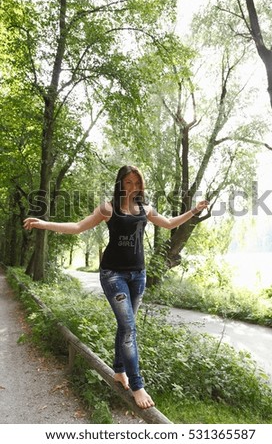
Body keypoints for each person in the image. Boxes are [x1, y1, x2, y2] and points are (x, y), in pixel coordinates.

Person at [24, 165, 209, 409]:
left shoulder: (145, 209)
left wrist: (194, 211)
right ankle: (137, 384)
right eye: (128, 182)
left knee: (125, 327)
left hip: (138, 275)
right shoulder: (107, 208)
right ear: (120, 183)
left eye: (137, 183)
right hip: (113, 275)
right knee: (130, 328)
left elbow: (169, 223)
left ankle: (119, 371)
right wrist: (44, 224)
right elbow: (79, 227)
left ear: (141, 184)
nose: (133, 187)